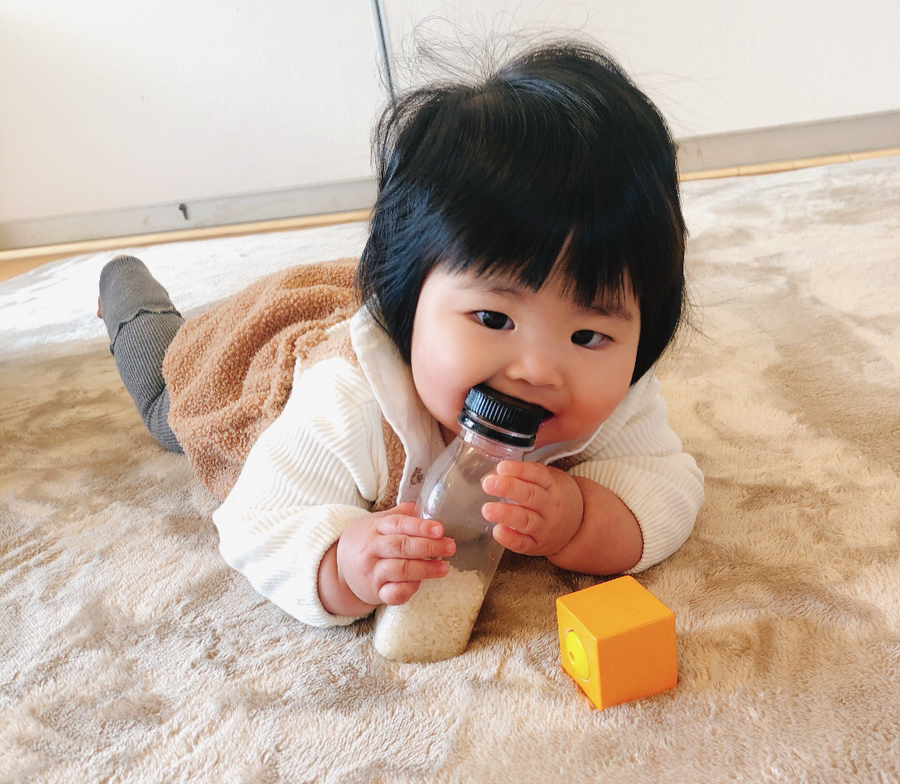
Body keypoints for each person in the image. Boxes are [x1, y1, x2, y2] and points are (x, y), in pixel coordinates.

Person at [98, 40, 704, 629]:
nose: (538, 370)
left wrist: (582, 519)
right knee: (168, 400)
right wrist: (344, 565)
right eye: (494, 319)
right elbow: (258, 522)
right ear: (408, 307)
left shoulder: (617, 394)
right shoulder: (349, 401)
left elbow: (669, 489)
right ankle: (126, 291)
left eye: (588, 335)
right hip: (254, 367)